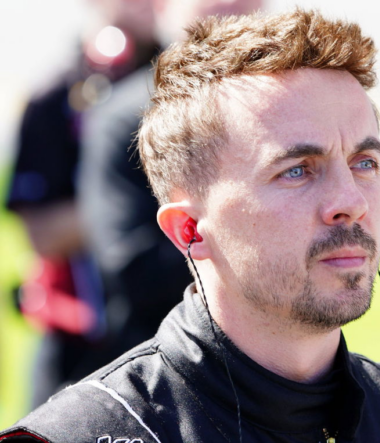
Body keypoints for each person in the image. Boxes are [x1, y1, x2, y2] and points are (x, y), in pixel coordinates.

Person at [0, 10, 380, 443]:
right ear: (188, 229)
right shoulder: (83, 434)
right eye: (297, 170)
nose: (350, 203)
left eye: (364, 163)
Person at [76, 0, 264, 379]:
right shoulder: (127, 117)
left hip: (273, 361)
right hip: (166, 365)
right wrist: (256, 244)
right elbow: (131, 266)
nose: (231, 4)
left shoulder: (285, 109)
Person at [5, 0, 158, 407]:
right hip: (82, 341)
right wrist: (133, 203)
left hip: (168, 334)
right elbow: (42, 234)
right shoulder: (55, 94)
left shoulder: (184, 79)